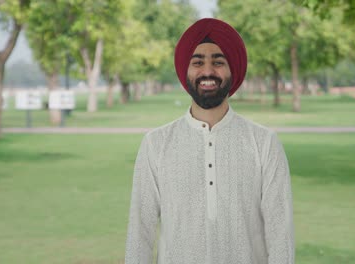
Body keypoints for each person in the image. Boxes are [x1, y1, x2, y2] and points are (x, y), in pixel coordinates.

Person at [125, 18, 294, 264]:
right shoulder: (156, 143)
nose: (207, 72)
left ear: (232, 69)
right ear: (186, 70)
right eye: (197, 62)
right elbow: (140, 230)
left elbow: (281, 234)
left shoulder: (264, 143)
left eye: (218, 62)